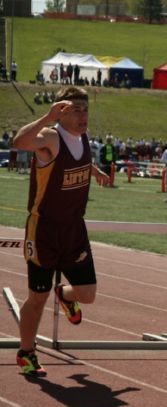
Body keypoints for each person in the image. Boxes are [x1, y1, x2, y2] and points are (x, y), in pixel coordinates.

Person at [11, 87, 110, 378]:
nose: (83, 116)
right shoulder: (51, 137)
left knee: (88, 295)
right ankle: (26, 352)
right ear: (62, 113)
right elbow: (20, 142)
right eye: (76, 110)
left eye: (85, 109)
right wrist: (47, 116)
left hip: (74, 228)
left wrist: (94, 171)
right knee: (37, 298)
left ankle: (65, 295)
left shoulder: (83, 139)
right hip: (44, 230)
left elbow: (76, 159)